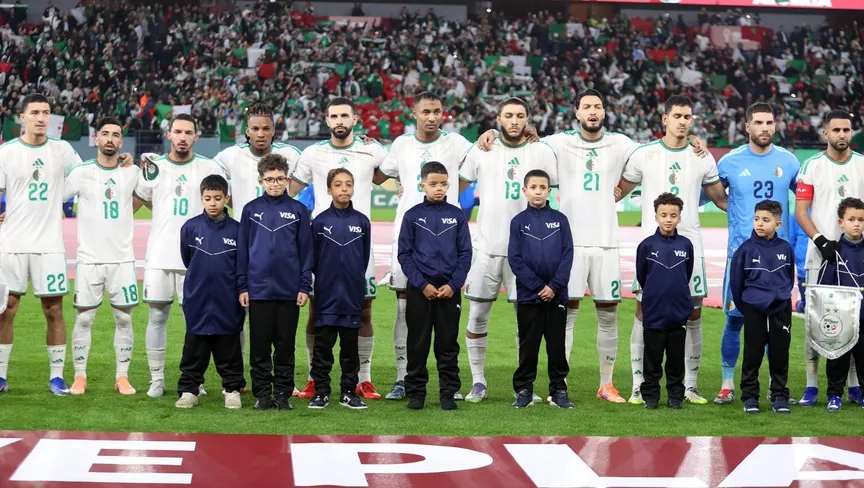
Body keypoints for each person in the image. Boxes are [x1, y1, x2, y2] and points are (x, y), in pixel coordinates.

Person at [476, 89, 708, 404]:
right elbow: (521, 137)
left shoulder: (622, 144)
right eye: (586, 107)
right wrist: (493, 132)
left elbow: (662, 147)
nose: (593, 111)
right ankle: (560, 385)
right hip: (570, 244)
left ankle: (606, 385)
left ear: (604, 111)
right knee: (566, 316)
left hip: (606, 243)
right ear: (577, 113)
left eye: (597, 106)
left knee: (608, 314)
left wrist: (691, 137)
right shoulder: (558, 142)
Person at [617, 95, 728, 405]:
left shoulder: (702, 156)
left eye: (687, 116)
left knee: (693, 314)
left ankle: (690, 387)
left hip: (691, 247)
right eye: (677, 115)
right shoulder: (644, 154)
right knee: (643, 313)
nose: (682, 121)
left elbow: (722, 199)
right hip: (651, 249)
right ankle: (638, 385)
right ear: (664, 119)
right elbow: (617, 192)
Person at [457, 97, 558, 403]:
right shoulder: (482, 148)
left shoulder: (541, 151)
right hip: (486, 248)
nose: (514, 121)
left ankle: (523, 385)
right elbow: (457, 187)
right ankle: (478, 381)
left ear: (528, 119)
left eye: (520, 116)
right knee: (477, 314)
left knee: (525, 322)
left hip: (528, 254)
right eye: (509, 115)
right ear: (498, 119)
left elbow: (554, 192)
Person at [374, 91, 472, 401]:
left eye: (437, 111)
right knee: (405, 308)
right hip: (410, 234)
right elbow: (377, 176)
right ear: (414, 113)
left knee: (446, 320)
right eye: (426, 111)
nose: (432, 117)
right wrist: (365, 145)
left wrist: (492, 134)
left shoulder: (456, 143)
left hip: (446, 237)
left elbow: (481, 160)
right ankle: (403, 378)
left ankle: (448, 384)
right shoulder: (401, 144)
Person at [289, 97, 389, 400]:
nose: (340, 121)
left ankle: (363, 380)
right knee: (316, 310)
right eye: (334, 116)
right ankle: (312, 378)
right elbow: (291, 190)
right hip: (324, 245)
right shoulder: (313, 153)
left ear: (355, 119)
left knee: (364, 310)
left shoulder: (372, 150)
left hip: (359, 241)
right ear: (327, 120)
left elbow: (393, 173)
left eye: (345, 115)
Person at [713, 102, 800, 405]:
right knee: (734, 320)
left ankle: (775, 387)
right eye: (759, 122)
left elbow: (805, 200)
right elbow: (712, 194)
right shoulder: (730, 162)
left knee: (775, 325)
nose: (764, 128)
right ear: (747, 126)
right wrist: (736, 213)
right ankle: (727, 384)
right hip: (740, 255)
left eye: (769, 122)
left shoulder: (789, 161)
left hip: (777, 258)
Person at [136, 113, 226, 398]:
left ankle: (195, 379)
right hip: (159, 256)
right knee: (156, 317)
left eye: (188, 132)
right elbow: (139, 201)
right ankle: (156, 380)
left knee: (196, 321)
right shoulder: (154, 167)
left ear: (196, 136)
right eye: (178, 132)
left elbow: (222, 205)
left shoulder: (209, 167)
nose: (183, 137)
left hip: (198, 258)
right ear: (169, 134)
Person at [0, 93, 83, 395]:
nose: (41, 118)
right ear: (22, 117)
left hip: (50, 245)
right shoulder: (7, 152)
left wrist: (62, 194)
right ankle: (0, 375)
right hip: (12, 244)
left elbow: (84, 174)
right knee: (6, 310)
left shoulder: (62, 150)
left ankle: (57, 377)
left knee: (54, 310)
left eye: (46, 113)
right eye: (35, 112)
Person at [64, 117, 147, 395]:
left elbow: (145, 198)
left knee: (124, 320)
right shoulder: (81, 172)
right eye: (105, 134)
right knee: (83, 319)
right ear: (96, 138)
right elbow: (55, 197)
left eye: (115, 135)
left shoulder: (132, 172)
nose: (110, 139)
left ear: (121, 142)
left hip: (122, 260)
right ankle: (80, 377)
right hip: (89, 259)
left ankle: (122, 377)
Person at [794, 109, 864, 406]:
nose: (841, 135)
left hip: (856, 255)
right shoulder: (812, 165)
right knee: (817, 319)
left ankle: (854, 386)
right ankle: (811, 385)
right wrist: (821, 240)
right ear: (826, 133)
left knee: (855, 321)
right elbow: (800, 211)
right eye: (836, 130)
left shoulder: (862, 164)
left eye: (846, 130)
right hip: (820, 256)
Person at [239, 154, 312, 411]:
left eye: (280, 179)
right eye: (270, 179)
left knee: (285, 346)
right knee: (259, 346)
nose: (275, 183)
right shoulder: (250, 210)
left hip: (289, 291)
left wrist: (304, 286)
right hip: (258, 290)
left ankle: (282, 394)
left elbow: (306, 252)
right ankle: (262, 394)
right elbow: (243, 251)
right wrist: (242, 286)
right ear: (261, 181)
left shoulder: (299, 211)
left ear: (287, 179)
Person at [397, 161, 471, 410]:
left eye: (443, 184)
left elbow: (465, 254)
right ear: (422, 185)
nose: (438, 188)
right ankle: (416, 392)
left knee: (448, 344)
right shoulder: (412, 215)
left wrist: (453, 284)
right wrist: (422, 284)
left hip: (449, 291)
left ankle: (448, 392)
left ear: (448, 185)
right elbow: (404, 254)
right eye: (433, 184)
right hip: (421, 291)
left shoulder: (457, 215)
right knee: (417, 343)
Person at [176, 175, 246, 409]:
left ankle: (232, 389)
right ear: (201, 199)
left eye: (217, 198)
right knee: (194, 347)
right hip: (197, 298)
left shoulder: (238, 230)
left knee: (229, 346)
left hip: (228, 300)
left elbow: (242, 265)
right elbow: (188, 259)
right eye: (208, 198)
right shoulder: (190, 227)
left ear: (226, 198)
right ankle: (189, 390)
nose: (213, 203)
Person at [508, 169, 574, 409]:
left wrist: (554, 287)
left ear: (549, 191)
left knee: (556, 346)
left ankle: (559, 390)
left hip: (556, 296)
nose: (538, 192)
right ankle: (524, 390)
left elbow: (567, 256)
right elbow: (515, 259)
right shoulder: (518, 222)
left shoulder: (561, 220)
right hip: (529, 296)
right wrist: (538, 287)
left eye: (543, 188)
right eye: (533, 187)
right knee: (529, 346)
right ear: (525, 190)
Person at [308, 168, 371, 410]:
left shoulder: (362, 221)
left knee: (349, 350)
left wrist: (352, 280)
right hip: (326, 298)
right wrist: (327, 280)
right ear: (329, 189)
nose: (344, 188)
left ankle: (348, 392)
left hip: (352, 297)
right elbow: (314, 260)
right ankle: (321, 393)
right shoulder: (320, 222)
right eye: (338, 184)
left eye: (348, 184)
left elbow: (362, 258)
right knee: (323, 349)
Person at [729, 200, 794, 414]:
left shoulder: (785, 248)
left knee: (779, 352)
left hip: (780, 308)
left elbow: (789, 278)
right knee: (753, 352)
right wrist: (748, 305)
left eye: (766, 220)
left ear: (778, 224)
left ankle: (779, 395)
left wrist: (781, 296)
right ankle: (750, 396)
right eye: (757, 219)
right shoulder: (745, 250)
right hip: (753, 308)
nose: (759, 223)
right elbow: (737, 284)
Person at [635, 192, 694, 410]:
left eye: (673, 215)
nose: (668, 220)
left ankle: (675, 396)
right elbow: (642, 276)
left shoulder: (686, 245)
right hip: (654, 312)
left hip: (678, 313)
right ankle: (650, 396)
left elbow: (686, 274)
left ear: (679, 217)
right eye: (664, 215)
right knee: (652, 358)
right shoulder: (646, 246)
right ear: (656, 216)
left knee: (676, 359)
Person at [821, 197, 864, 411]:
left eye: (861, 220)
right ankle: (834, 395)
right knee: (837, 357)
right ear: (841, 222)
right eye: (851, 219)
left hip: (863, 316)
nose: (856, 224)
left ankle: (861, 394)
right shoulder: (834, 251)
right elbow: (823, 287)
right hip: (840, 318)